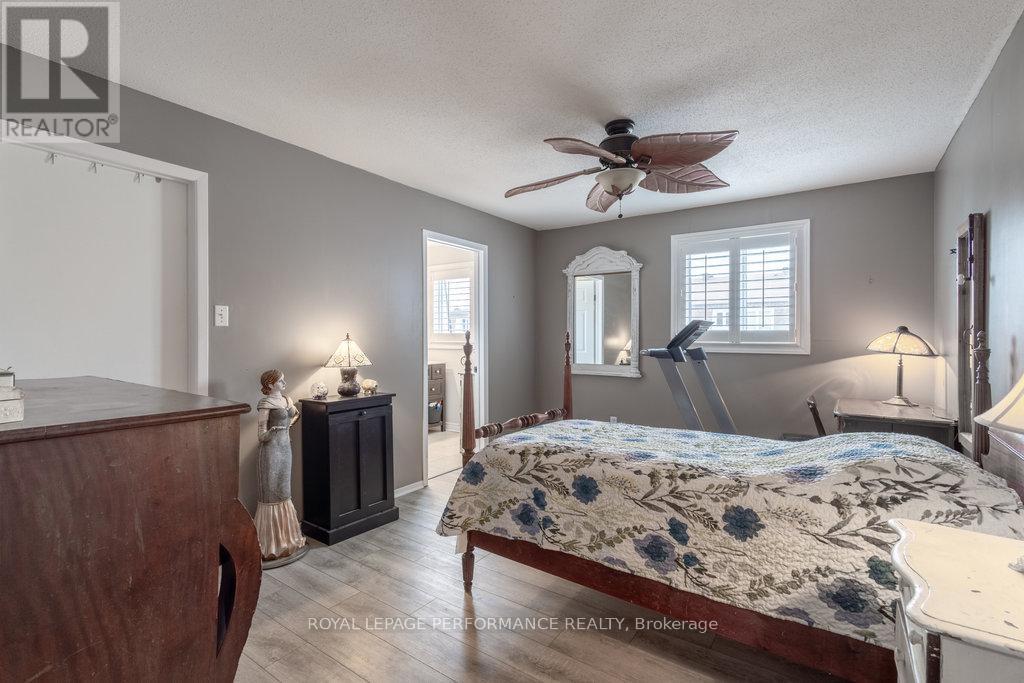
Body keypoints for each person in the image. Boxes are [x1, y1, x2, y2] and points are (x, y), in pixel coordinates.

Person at [254, 369, 305, 560]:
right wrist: (275, 430)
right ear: (269, 384)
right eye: (280, 380)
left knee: (284, 490)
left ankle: (288, 538)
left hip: (285, 449)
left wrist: (286, 427)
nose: (284, 382)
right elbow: (261, 435)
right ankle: (270, 543)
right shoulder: (265, 404)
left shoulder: (286, 399)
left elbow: (296, 415)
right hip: (270, 451)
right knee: (271, 491)